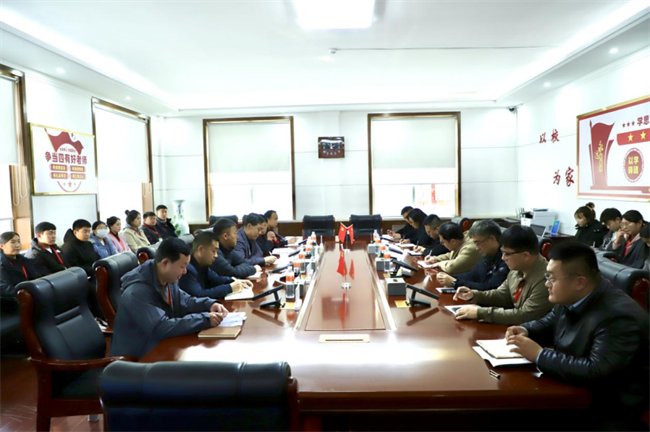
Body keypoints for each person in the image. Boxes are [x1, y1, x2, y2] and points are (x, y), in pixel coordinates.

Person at [506, 242, 650, 430]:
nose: (547, 283)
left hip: (609, 409)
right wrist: (525, 330)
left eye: (551, 278)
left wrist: (540, 355)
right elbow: (550, 322)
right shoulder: (572, 297)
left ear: (579, 282)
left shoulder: (619, 317)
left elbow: (596, 370)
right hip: (576, 391)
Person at [110, 238, 230, 360]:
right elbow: (160, 327)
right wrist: (204, 319)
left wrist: (209, 304)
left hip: (160, 347)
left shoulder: (167, 279)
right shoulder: (137, 291)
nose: (185, 271)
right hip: (136, 360)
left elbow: (185, 301)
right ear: (165, 263)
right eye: (182, 266)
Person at [453, 225, 552, 324]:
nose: (503, 258)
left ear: (525, 255)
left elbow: (525, 315)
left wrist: (480, 313)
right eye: (502, 253)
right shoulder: (517, 268)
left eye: (507, 254)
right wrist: (474, 295)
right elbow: (501, 295)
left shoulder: (547, 279)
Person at [436, 220, 509, 292]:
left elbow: (490, 288)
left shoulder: (507, 258)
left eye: (478, 243)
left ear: (492, 239)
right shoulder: (488, 255)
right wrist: (448, 277)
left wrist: (455, 283)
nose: (477, 248)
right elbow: (472, 275)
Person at [179, 231, 252, 299]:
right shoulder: (187, 269)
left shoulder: (203, 264)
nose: (216, 255)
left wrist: (236, 281)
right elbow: (199, 295)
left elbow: (217, 280)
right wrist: (230, 288)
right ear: (201, 249)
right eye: (213, 251)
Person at [0, 232, 40, 297]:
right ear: (2, 246)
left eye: (19, 241)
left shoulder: (24, 260)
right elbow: (6, 289)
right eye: (13, 242)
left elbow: (36, 277)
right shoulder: (1, 265)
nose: (17, 245)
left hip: (30, 294)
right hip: (14, 298)